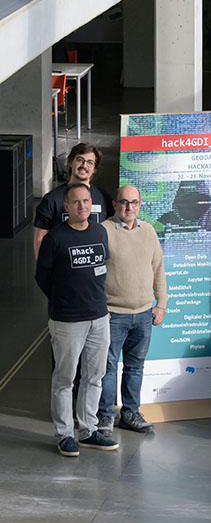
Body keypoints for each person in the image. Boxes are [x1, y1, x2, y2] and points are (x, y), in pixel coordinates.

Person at [35, 183, 118, 456]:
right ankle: (63, 434)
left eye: (86, 201)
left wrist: (99, 306)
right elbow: (42, 277)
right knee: (65, 378)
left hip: (98, 317)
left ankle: (88, 431)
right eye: (76, 202)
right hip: (68, 320)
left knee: (94, 376)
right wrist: (65, 301)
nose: (82, 206)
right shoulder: (55, 239)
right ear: (67, 207)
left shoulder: (99, 232)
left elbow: (101, 270)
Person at [97, 185, 167, 434]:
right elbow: (93, 274)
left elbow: (158, 269)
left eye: (134, 202)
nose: (129, 207)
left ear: (139, 205)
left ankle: (130, 413)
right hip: (112, 314)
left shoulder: (148, 231)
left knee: (135, 367)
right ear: (115, 204)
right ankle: (105, 416)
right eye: (124, 202)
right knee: (107, 368)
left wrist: (161, 303)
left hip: (144, 314)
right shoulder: (103, 231)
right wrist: (99, 307)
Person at [33, 142, 113, 256]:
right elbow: (40, 239)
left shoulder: (104, 197)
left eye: (90, 163)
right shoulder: (51, 199)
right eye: (80, 160)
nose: (84, 165)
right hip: (63, 268)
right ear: (71, 162)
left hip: (94, 267)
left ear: (94, 169)